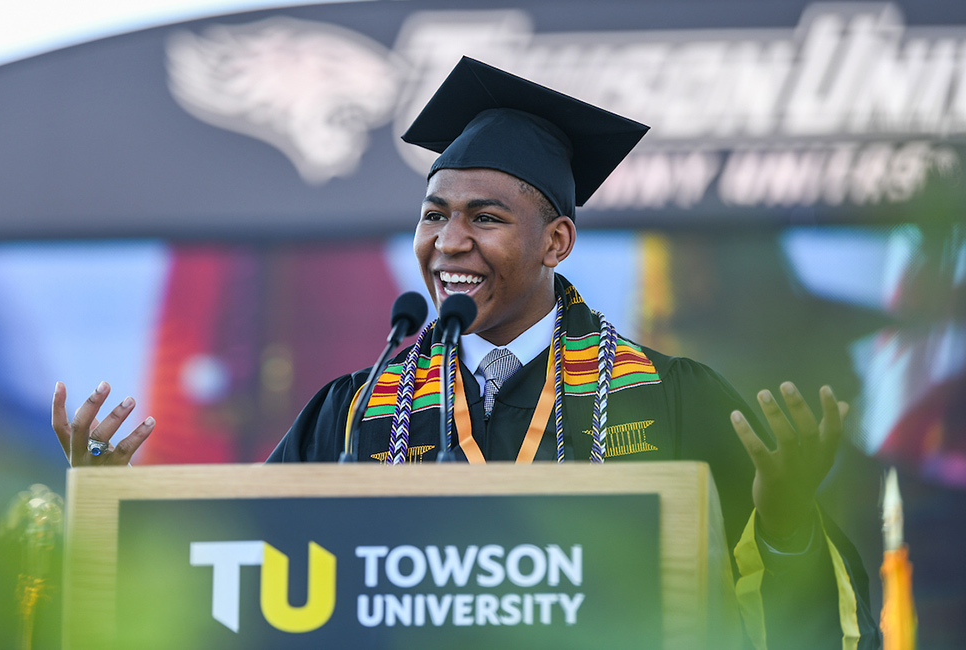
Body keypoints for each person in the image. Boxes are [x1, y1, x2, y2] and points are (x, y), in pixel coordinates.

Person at [53, 57, 879, 649]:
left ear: (556, 240)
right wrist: (113, 512)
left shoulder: (672, 399)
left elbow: (786, 610)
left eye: (485, 219)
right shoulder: (352, 413)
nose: (449, 243)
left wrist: (784, 523)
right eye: (433, 214)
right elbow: (242, 579)